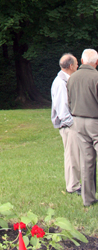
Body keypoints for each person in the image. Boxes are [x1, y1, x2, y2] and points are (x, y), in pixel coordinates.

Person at [67, 49, 98, 207]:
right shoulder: (96, 77)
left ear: (82, 60)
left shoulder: (72, 78)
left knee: (87, 161)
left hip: (78, 122)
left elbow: (69, 101)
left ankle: (88, 199)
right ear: (96, 63)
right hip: (95, 122)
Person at [51, 53, 81, 195]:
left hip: (69, 124)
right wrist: (71, 124)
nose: (78, 66)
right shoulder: (60, 83)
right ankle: (73, 187)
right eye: (76, 63)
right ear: (70, 66)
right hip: (68, 126)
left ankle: (76, 184)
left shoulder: (66, 81)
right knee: (72, 156)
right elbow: (62, 108)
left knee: (75, 155)